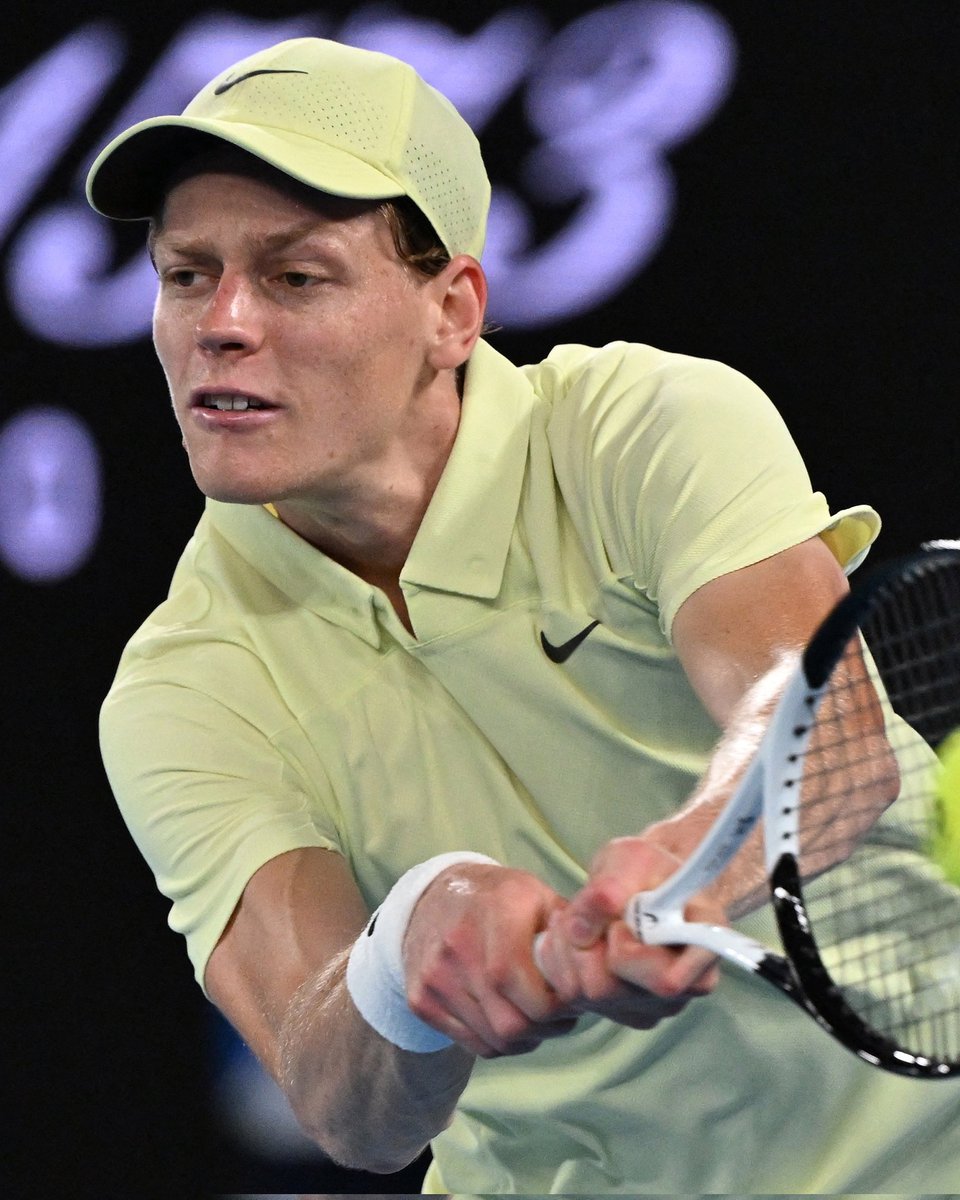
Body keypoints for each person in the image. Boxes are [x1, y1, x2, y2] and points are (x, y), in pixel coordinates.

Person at [88, 37, 960, 1193]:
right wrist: (406, 954)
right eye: (186, 274)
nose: (223, 322)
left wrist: (681, 875)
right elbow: (343, 1106)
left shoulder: (644, 425)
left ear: (453, 311)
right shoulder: (181, 687)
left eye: (297, 276)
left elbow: (827, 736)